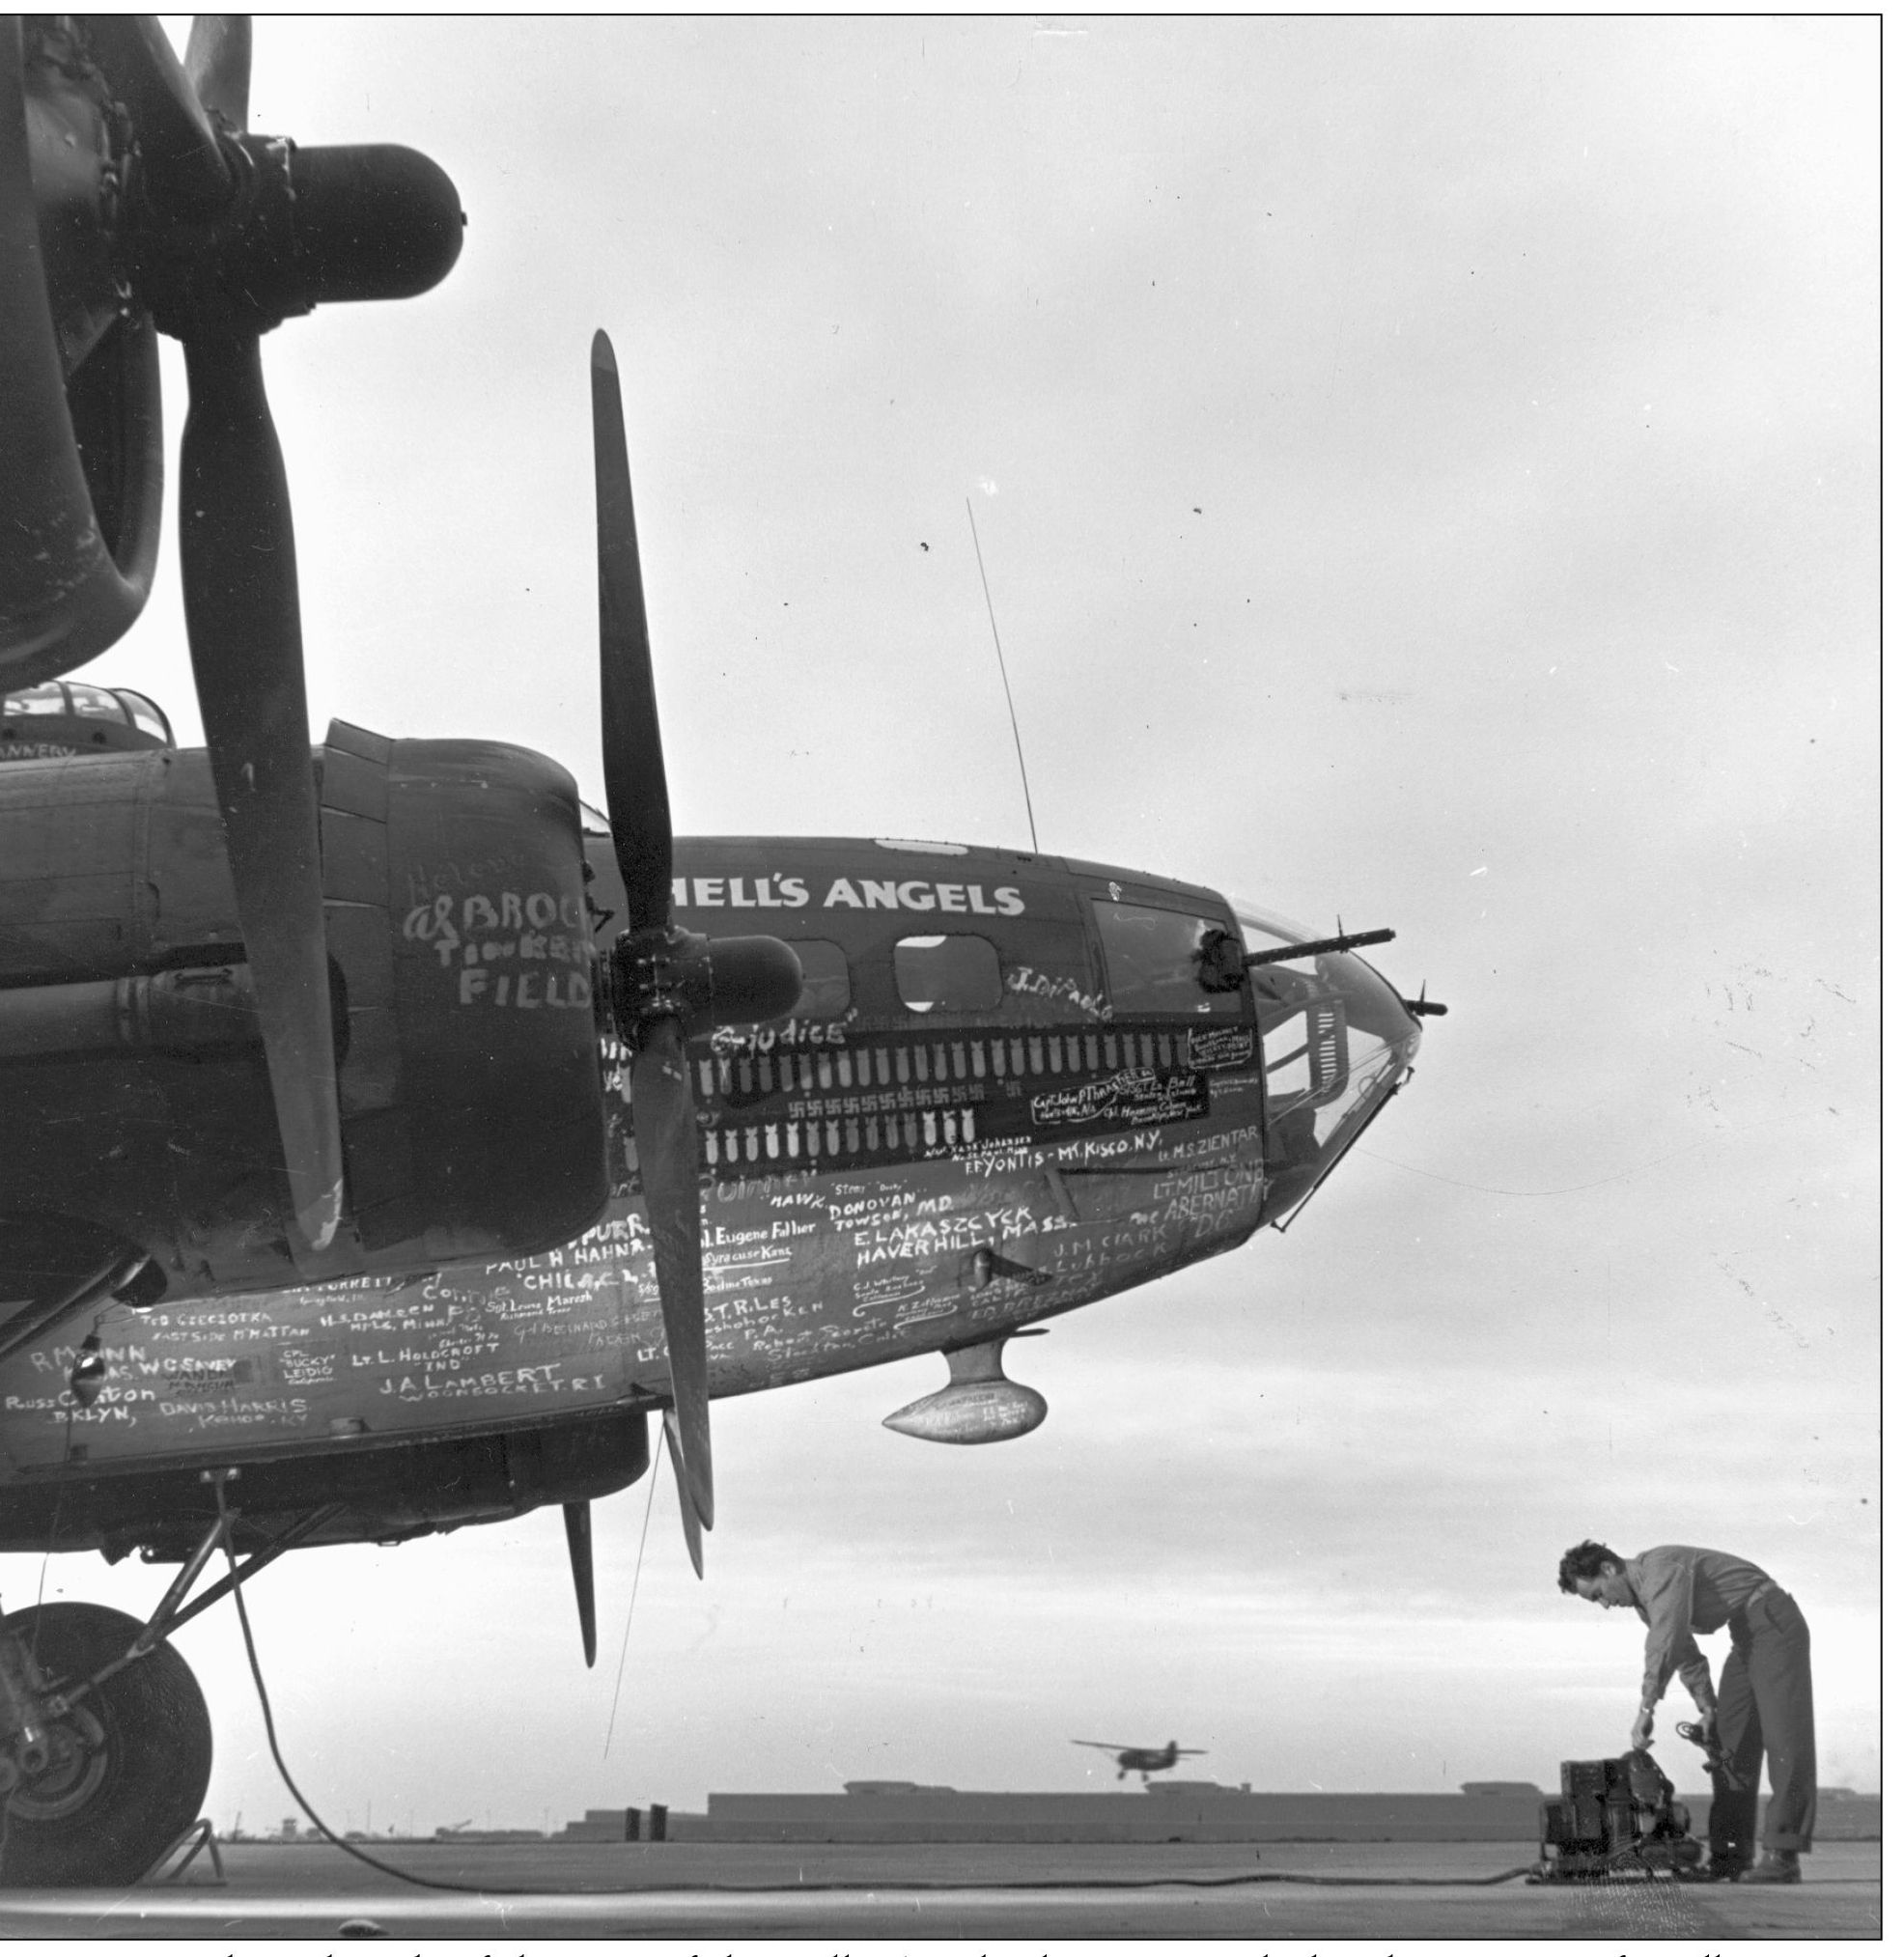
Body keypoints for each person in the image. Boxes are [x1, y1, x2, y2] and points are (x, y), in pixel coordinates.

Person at [1556, 1540, 1814, 1884]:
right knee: (1729, 1747)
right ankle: (1730, 1856)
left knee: (1785, 1741)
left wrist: (1647, 1707)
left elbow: (1665, 1641)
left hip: (1772, 1620)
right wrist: (1707, 1707)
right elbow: (1684, 1654)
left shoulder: (1661, 1569)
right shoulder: (1648, 1604)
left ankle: (1783, 1854)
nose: (1604, 1604)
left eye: (1598, 1594)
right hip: (1746, 1636)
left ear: (1608, 1568)